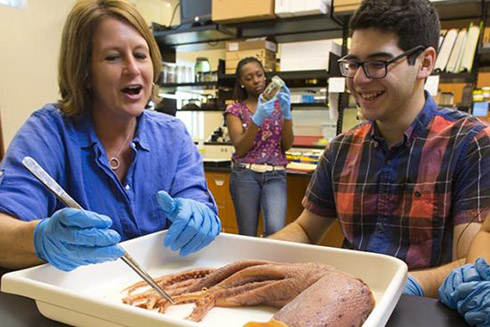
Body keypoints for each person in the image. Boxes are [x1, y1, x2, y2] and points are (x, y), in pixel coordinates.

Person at [270, 0, 490, 299]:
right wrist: (259, 258)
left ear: (425, 62)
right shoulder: (342, 148)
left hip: (423, 311)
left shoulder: (470, 144)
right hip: (345, 302)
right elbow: (307, 230)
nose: (359, 79)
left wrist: (398, 285)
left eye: (378, 63)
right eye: (354, 64)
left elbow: (473, 265)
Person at [0, 0, 220, 272]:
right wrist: (41, 239)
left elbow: (196, 201)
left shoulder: (173, 136)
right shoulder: (48, 132)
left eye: (140, 55)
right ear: (84, 73)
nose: (133, 69)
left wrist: (198, 217)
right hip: (70, 306)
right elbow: (2, 233)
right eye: (113, 57)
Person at [225, 57, 294, 237]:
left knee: (275, 231)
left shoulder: (279, 106)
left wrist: (287, 114)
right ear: (241, 83)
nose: (256, 80)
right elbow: (240, 148)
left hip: (275, 175)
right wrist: (257, 119)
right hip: (245, 175)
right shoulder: (235, 110)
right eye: (248, 78)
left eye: (259, 75)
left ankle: (268, 266)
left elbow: (286, 145)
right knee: (247, 234)